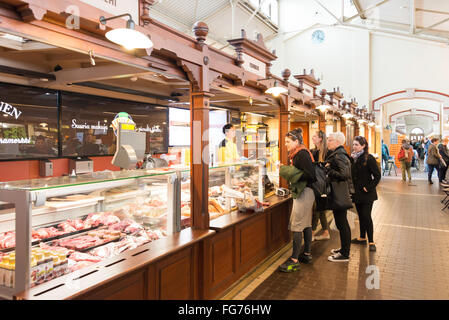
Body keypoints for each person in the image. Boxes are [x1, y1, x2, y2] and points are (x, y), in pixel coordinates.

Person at [278, 128, 316, 272]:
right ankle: (306, 254)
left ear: (296, 141)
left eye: (288, 142)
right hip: (307, 192)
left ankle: (294, 260)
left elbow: (310, 175)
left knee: (297, 225)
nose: (286, 144)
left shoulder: (301, 154)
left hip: (305, 192)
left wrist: (288, 171)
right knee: (305, 223)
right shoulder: (300, 153)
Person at [350, 136, 381, 252]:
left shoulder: (369, 158)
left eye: (357, 144)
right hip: (357, 193)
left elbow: (377, 176)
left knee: (366, 216)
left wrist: (368, 187)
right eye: (353, 144)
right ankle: (362, 237)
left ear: (363, 146)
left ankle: (371, 241)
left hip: (367, 194)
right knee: (361, 216)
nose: (354, 147)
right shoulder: (353, 158)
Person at [326, 132, 353, 262]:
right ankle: (343, 249)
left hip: (340, 194)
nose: (328, 142)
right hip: (339, 193)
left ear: (337, 142)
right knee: (341, 222)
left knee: (342, 223)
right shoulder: (338, 154)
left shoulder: (339, 155)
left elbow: (345, 174)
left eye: (330, 140)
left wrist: (328, 170)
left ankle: (345, 254)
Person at [310, 130, 330, 241]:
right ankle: (326, 231)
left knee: (317, 208)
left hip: (322, 185)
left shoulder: (326, 152)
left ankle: (312, 233)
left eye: (314, 136)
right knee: (320, 208)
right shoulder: (312, 151)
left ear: (320, 138)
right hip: (314, 183)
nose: (312, 138)